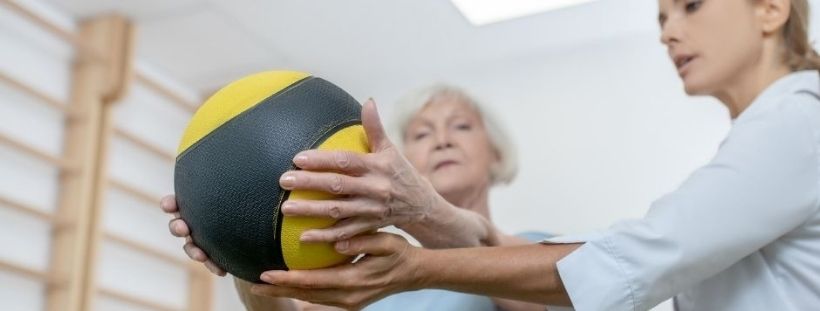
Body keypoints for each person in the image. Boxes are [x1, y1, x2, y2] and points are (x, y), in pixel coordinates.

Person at [245, 0, 820, 310]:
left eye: (690, 6)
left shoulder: (799, 122)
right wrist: (245, 251)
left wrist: (413, 267)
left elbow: (631, 263)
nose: (668, 32)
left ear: (770, 10)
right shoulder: (772, 134)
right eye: (661, 18)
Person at [161, 85, 550, 310]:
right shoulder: (371, 274)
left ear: (496, 152)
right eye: (421, 134)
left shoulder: (534, 250)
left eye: (461, 126)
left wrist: (418, 212)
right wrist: (239, 245)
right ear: (398, 160)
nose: (443, 140)